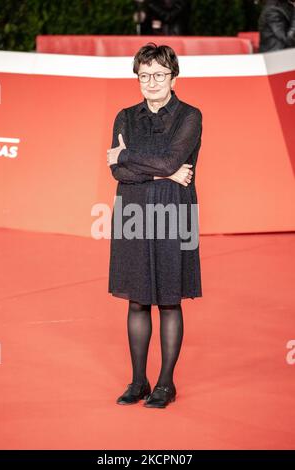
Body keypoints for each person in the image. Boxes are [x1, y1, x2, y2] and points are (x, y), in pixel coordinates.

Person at [107, 43, 203, 408]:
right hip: (133, 214)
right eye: (144, 75)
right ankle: (137, 382)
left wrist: (128, 155)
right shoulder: (125, 116)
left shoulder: (190, 115)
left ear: (173, 76)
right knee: (136, 301)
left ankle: (165, 384)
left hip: (175, 213)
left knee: (169, 300)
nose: (151, 82)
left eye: (159, 75)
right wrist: (166, 171)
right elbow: (117, 171)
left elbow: (171, 157)